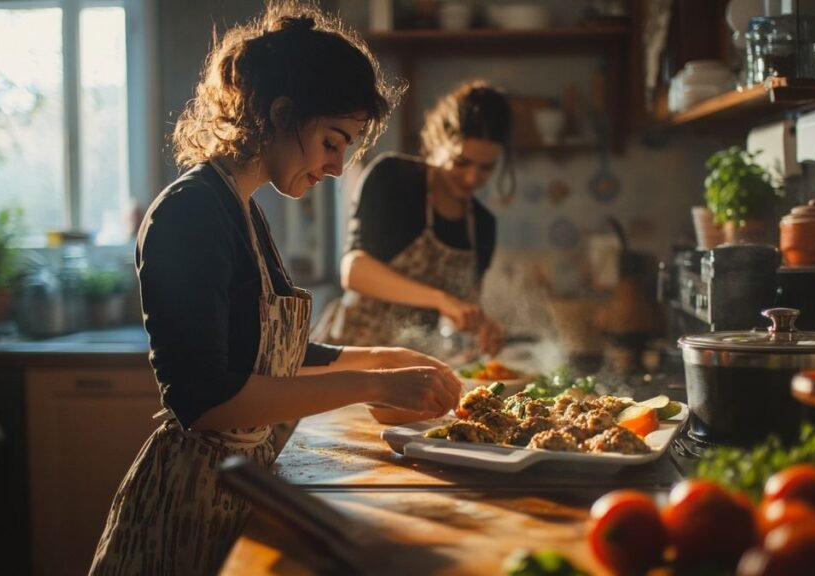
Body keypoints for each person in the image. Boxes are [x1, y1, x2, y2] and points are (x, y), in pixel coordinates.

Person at [90, 4, 462, 575]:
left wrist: (385, 359)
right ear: (281, 114)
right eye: (333, 141)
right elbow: (206, 401)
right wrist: (370, 383)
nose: (337, 166)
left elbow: (269, 356)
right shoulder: (190, 213)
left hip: (238, 490)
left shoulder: (243, 208)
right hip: (188, 503)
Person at [313, 80, 514, 360]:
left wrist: (479, 324)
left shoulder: (482, 225)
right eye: (461, 162)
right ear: (439, 142)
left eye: (486, 168)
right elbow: (355, 272)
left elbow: (461, 309)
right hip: (351, 352)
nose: (472, 178)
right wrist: (441, 300)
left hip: (415, 363)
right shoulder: (394, 178)